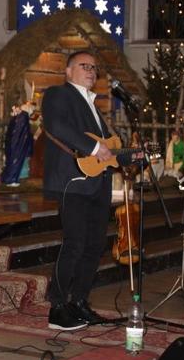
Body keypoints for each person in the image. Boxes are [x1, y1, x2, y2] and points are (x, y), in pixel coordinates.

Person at [41, 52, 136, 330]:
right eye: (85, 66)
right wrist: (95, 148)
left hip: (98, 183)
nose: (92, 71)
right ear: (68, 71)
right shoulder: (58, 94)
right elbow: (56, 126)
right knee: (75, 243)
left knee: (94, 246)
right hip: (73, 180)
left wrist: (135, 156)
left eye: (95, 67)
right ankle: (57, 306)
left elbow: (108, 152)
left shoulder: (94, 106)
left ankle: (79, 301)